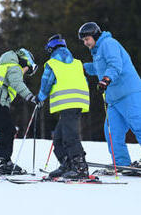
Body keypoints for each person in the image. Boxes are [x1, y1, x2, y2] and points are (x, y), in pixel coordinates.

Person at [79, 22, 141, 169]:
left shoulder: (108, 43)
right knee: (112, 132)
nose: (85, 43)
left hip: (128, 93)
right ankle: (122, 163)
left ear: (94, 35)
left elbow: (115, 65)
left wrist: (106, 80)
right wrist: (80, 67)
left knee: (138, 126)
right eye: (83, 41)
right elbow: (97, 68)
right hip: (113, 99)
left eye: (87, 39)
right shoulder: (97, 51)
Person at [32, 34, 90, 179]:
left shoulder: (52, 63)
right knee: (58, 138)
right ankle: (68, 164)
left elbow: (46, 83)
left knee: (70, 136)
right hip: (78, 101)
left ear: (51, 49)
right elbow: (85, 81)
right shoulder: (77, 63)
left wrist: (40, 98)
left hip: (67, 102)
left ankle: (80, 167)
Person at [0, 48, 38, 175]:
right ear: (24, 62)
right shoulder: (14, 67)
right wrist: (31, 97)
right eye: (27, 69)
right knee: (9, 130)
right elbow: (17, 84)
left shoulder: (5, 65)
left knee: (3, 131)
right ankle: (2, 161)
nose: (24, 72)